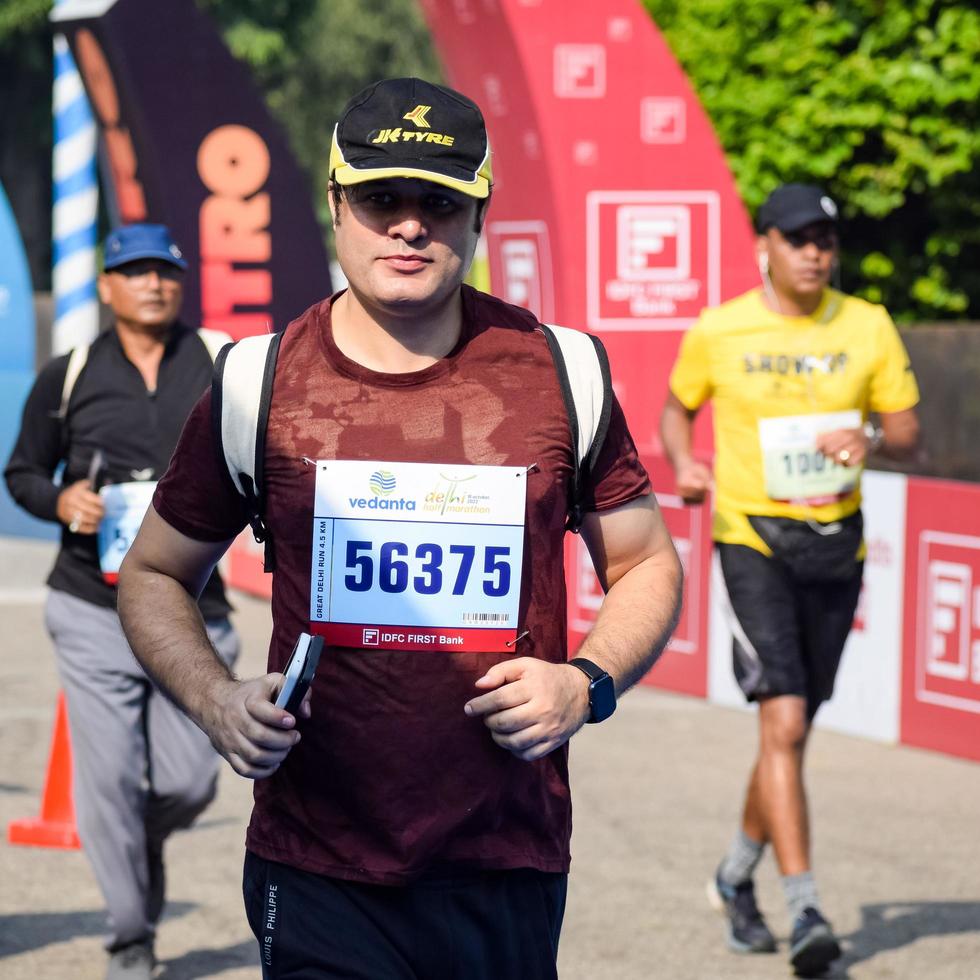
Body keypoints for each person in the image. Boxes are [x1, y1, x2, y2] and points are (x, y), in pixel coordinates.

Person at [116, 77, 683, 979]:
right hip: (316, 863)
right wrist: (216, 699)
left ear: (479, 214)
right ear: (337, 204)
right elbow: (152, 574)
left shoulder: (560, 370)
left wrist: (586, 685)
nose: (409, 226)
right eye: (382, 199)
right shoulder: (257, 381)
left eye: (439, 202)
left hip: (505, 859)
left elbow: (647, 561)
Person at [660, 183, 920, 976]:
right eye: (800, 238)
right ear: (764, 246)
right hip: (752, 540)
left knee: (792, 727)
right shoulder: (721, 328)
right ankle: (805, 906)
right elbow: (677, 409)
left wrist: (867, 433)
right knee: (787, 725)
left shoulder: (867, 324)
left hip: (835, 548)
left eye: (826, 240)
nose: (816, 252)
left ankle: (733, 877)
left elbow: (908, 430)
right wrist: (684, 464)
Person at [4, 223, 239, 980]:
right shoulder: (68, 374)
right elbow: (23, 473)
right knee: (104, 779)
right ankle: (130, 937)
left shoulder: (220, 364)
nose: (153, 285)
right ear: (106, 287)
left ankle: (136, 840)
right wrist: (62, 499)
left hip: (194, 612)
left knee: (191, 779)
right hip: (90, 608)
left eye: (166, 272)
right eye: (134, 273)